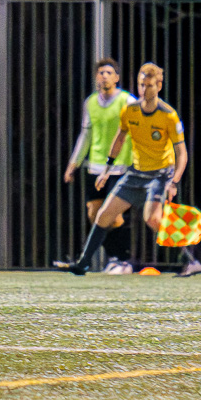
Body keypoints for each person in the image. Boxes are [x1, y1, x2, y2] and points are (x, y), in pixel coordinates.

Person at [69, 62, 196, 277]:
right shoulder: (130, 111)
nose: (144, 90)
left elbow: (181, 153)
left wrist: (174, 181)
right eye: (141, 85)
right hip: (135, 173)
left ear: (159, 85)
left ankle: (189, 260)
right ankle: (83, 263)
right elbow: (119, 139)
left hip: (159, 175)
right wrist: (107, 169)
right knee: (103, 215)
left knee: (152, 219)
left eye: (149, 85)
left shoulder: (168, 115)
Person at [58, 58, 135, 275]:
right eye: (101, 72)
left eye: (109, 72)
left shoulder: (127, 101)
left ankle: (123, 260)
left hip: (120, 166)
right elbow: (86, 134)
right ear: (95, 77)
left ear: (117, 78)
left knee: (113, 214)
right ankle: (113, 257)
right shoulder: (90, 102)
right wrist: (73, 164)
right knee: (94, 214)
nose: (104, 76)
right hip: (96, 167)